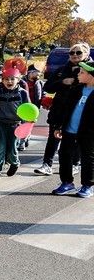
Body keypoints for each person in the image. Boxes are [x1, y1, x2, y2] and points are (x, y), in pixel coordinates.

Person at [38, 43, 89, 176]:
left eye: (79, 53)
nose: (75, 55)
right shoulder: (62, 69)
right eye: (72, 53)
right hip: (59, 110)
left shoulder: (89, 71)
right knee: (53, 137)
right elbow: (48, 87)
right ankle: (47, 164)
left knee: (76, 138)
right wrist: (63, 82)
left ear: (86, 54)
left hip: (79, 110)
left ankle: (75, 164)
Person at [49, 61, 94, 197]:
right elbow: (65, 109)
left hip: (88, 133)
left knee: (88, 158)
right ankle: (67, 183)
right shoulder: (76, 90)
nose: (78, 75)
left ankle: (87, 185)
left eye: (82, 73)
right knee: (64, 155)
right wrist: (58, 126)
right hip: (69, 130)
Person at [0, 65, 29, 180]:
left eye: (12, 79)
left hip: (15, 124)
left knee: (12, 148)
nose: (9, 81)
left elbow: (28, 108)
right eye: (6, 79)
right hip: (0, 123)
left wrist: (28, 122)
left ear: (18, 80)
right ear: (2, 80)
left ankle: (14, 163)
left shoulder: (23, 93)